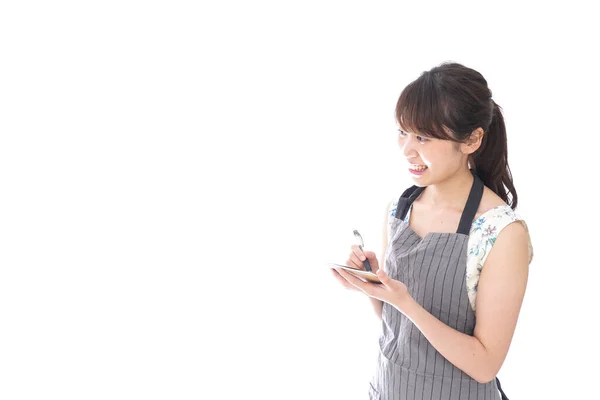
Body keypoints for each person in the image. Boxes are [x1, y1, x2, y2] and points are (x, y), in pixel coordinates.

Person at [331, 62, 534, 400]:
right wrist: (373, 285)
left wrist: (407, 303)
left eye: (423, 137)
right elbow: (395, 322)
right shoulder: (400, 209)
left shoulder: (501, 233)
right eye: (402, 132)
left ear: (471, 139)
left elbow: (485, 365)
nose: (407, 149)